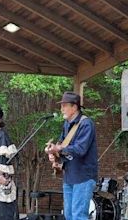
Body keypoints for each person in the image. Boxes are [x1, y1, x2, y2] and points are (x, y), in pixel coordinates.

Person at [45, 91, 98, 220]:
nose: (61, 109)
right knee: (68, 215)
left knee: (79, 216)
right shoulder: (67, 124)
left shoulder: (86, 124)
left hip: (83, 177)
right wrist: (54, 154)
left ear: (74, 107)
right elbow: (62, 146)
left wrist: (59, 149)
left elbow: (80, 149)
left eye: (64, 105)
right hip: (69, 175)